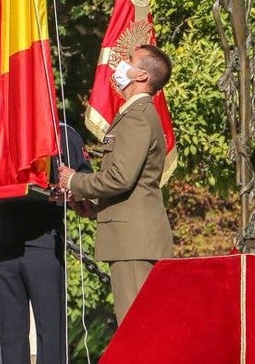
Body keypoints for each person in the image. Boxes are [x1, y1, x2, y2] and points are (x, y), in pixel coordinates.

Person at [57, 44, 175, 325]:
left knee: (137, 328)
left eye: (129, 60)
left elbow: (120, 178)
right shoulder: (134, 115)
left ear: (142, 76)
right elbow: (133, 184)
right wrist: (96, 208)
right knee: (140, 326)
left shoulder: (137, 117)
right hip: (133, 239)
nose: (121, 63)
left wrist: (74, 180)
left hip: (134, 243)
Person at [0, 123, 92, 364]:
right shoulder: (0, 126)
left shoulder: (64, 133)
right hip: (4, 245)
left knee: (51, 335)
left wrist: (71, 190)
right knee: (10, 336)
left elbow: (84, 178)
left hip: (43, 243)